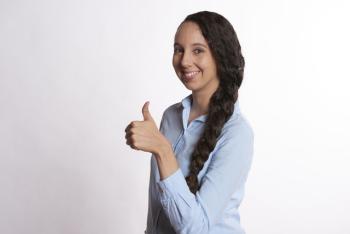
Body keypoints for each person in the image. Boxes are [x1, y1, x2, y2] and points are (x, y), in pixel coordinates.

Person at [125, 10, 254, 234]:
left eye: (198, 51)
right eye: (178, 50)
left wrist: (162, 150)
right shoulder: (170, 117)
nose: (184, 61)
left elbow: (196, 229)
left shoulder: (237, 135)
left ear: (220, 56)